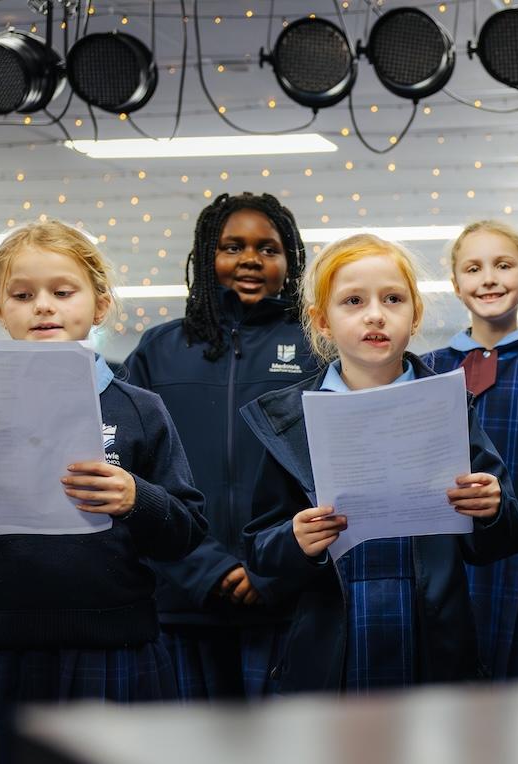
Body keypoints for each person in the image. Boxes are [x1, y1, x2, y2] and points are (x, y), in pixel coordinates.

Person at [0, 221, 206, 764]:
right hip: (2, 647)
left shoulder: (139, 408)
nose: (43, 307)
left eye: (63, 291)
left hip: (116, 642)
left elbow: (186, 532)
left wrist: (136, 498)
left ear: (99, 304)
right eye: (22, 295)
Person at [240, 234, 518, 691]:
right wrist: (296, 539)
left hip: (429, 636)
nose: (375, 314)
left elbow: (505, 536)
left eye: (393, 299)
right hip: (334, 642)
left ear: (415, 316)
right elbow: (259, 551)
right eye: (353, 301)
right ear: (322, 321)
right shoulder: (290, 421)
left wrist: (491, 508)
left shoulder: (448, 405)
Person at [123, 192, 317, 699]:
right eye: (233, 246)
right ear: (208, 256)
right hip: (182, 599)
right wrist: (205, 568)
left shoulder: (315, 348)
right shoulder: (158, 351)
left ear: (290, 261)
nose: (251, 259)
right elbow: (134, 478)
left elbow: (331, 476)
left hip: (287, 599)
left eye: (268, 249)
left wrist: (270, 569)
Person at [423, 220, 518, 678]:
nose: (488, 278)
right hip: (443, 570)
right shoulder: (428, 369)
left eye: (503, 265)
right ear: (456, 285)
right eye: (473, 268)